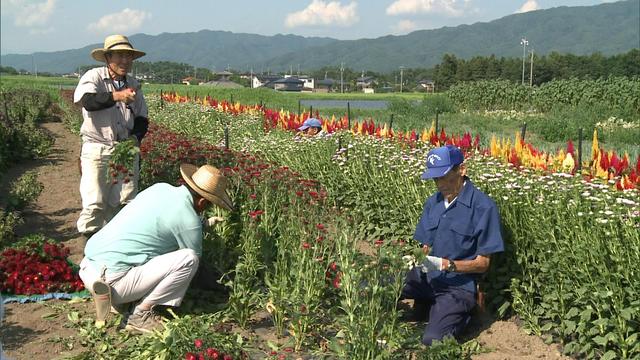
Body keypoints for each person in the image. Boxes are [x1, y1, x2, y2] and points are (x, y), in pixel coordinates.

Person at [78, 163, 233, 333]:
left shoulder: (160, 188)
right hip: (113, 283)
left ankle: (120, 299)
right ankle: (140, 314)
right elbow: (197, 269)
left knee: (150, 247)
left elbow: (163, 219)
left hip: (88, 268)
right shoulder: (189, 221)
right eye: (209, 205)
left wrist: (203, 223)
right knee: (189, 259)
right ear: (202, 201)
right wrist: (223, 287)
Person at [402, 145, 504, 346]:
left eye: (445, 176)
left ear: (462, 170)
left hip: (457, 287)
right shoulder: (434, 202)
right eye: (435, 178)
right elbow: (426, 246)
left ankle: (464, 315)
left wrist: (447, 265)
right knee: (373, 284)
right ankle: (427, 304)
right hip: (429, 277)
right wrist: (416, 259)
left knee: (434, 340)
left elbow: (483, 264)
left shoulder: (483, 207)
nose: (440, 184)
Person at [74, 34, 149, 239]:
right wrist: (117, 96)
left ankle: (116, 242)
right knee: (95, 202)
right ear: (108, 58)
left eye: (128, 56)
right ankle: (89, 243)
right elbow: (88, 101)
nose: (125, 61)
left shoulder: (134, 84)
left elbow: (142, 118)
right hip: (97, 148)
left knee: (125, 200)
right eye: (119, 56)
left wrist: (135, 139)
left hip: (125, 149)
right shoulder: (94, 77)